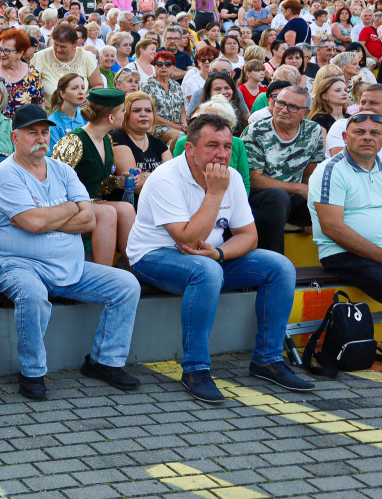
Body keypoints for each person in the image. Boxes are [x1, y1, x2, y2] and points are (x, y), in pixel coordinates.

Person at [127, 114, 314, 404]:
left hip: (208, 257)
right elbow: (187, 239)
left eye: (227, 146)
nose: (222, 154)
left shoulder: (233, 176)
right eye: (212, 145)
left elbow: (248, 236)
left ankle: (267, 360)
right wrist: (214, 193)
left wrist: (220, 253)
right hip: (153, 258)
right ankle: (195, 370)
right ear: (190, 149)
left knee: (280, 267)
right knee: (207, 272)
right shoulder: (166, 178)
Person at [0, 104, 140, 400]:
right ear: (15, 137)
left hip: (69, 265)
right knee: (32, 296)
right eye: (32, 132)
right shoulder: (6, 173)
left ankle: (104, 362)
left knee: (126, 285)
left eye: (44, 132)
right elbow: (31, 222)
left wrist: (48, 217)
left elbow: (90, 219)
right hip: (17, 264)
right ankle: (32, 372)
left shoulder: (62, 169)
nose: (41, 138)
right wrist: (70, 207)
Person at [51, 88, 137, 266]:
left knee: (126, 210)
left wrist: (118, 182)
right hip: (69, 206)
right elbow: (53, 182)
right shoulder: (73, 141)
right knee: (107, 213)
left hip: (93, 202)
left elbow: (99, 185)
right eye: (122, 110)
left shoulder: (107, 139)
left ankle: (136, 271)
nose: (125, 114)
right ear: (111, 118)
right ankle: (104, 276)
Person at [241, 85, 324, 254]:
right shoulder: (255, 131)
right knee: (278, 197)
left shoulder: (312, 130)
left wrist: (309, 209)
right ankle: (274, 261)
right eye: (280, 103)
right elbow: (254, 180)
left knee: (331, 195)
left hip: (292, 197)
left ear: (305, 112)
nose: (284, 110)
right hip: (260, 197)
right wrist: (299, 189)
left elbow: (311, 170)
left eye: (293, 107)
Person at [310, 112, 382, 300]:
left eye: (375, 133)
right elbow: (332, 228)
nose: (367, 137)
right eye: (359, 132)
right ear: (345, 137)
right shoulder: (331, 170)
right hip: (344, 254)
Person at [174, 95, 252, 194]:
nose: (222, 154)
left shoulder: (238, 143)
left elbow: (245, 181)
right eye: (204, 119)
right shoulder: (184, 143)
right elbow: (177, 176)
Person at [110, 91, 172, 201]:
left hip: (160, 199)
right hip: (131, 203)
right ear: (126, 114)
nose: (144, 114)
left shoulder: (157, 142)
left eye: (148, 110)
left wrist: (145, 175)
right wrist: (162, 179)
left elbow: (173, 177)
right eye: (136, 110)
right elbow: (134, 184)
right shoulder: (117, 138)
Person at [0, 28, 44, 118]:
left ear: (20, 53)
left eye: (7, 51)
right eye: (0, 49)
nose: (2, 54)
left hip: (22, 129)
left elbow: (39, 104)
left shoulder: (33, 75)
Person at [31, 23, 101, 98]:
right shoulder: (41, 57)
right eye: (56, 44)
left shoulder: (86, 57)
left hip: (80, 108)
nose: (58, 49)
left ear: (75, 44)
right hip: (50, 109)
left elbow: (98, 85)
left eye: (63, 46)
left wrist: (86, 98)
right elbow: (31, 87)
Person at [326, 84, 382, 156]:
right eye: (363, 102)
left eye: (373, 103)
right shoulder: (343, 126)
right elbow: (343, 162)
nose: (365, 107)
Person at [46, 72, 87, 149]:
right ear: (62, 94)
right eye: (75, 88)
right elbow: (54, 158)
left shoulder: (86, 118)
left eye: (83, 88)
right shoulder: (52, 123)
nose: (81, 92)